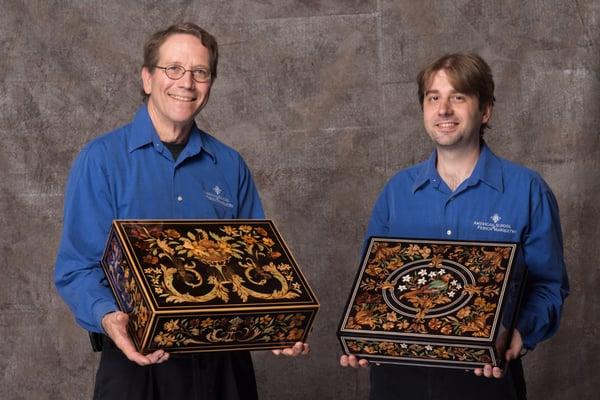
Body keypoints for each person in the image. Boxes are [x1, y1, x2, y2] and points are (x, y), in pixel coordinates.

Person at [55, 22, 308, 400]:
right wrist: (110, 319)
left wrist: (277, 323)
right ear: (147, 79)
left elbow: (259, 262)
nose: (186, 82)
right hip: (136, 362)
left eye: (199, 72)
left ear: (209, 84)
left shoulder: (230, 164)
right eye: (173, 68)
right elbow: (76, 268)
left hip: (224, 366)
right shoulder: (101, 160)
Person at [339, 53, 569, 400]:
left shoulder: (527, 191)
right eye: (434, 97)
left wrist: (518, 335)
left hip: (485, 380)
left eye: (458, 97)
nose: (443, 110)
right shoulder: (397, 192)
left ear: (485, 111)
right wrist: (363, 335)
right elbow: (373, 286)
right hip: (398, 381)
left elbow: (549, 285)